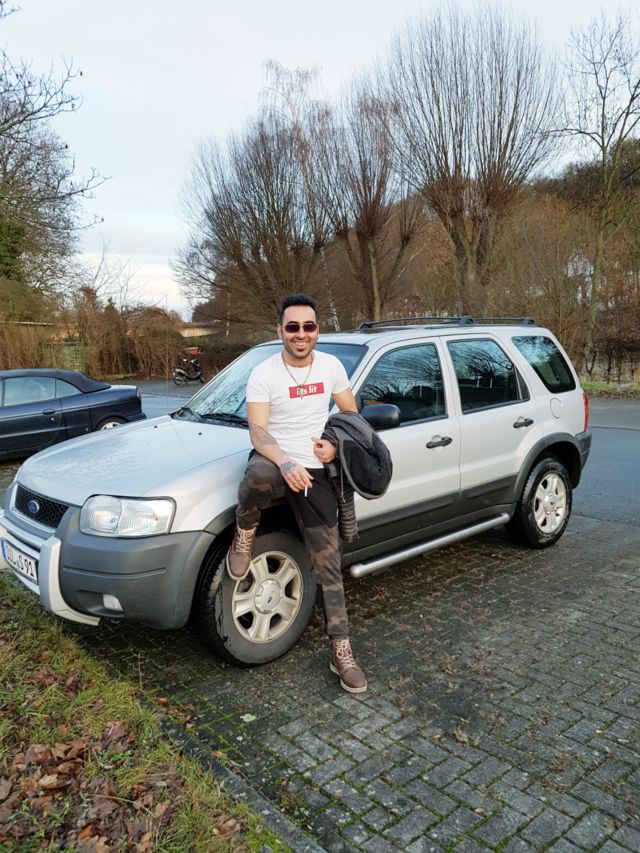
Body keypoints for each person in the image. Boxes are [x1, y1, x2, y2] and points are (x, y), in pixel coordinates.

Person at [226, 293, 367, 693]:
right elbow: (258, 431)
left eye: (308, 326)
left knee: (329, 562)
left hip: (316, 471)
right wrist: (285, 462)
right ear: (280, 331)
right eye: (292, 327)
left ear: (317, 330)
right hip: (276, 460)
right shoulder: (264, 372)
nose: (300, 334)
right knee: (256, 478)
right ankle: (245, 531)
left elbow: (351, 415)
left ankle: (341, 649)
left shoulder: (332, 366)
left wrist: (335, 445)